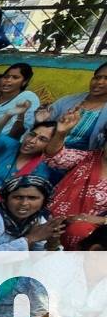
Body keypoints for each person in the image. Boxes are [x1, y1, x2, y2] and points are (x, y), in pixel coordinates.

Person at [43, 107, 107, 249]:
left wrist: (100, 220)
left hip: (89, 232)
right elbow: (54, 157)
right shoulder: (87, 158)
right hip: (51, 218)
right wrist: (61, 133)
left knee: (79, 230)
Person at [0, 175, 64, 252]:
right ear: (6, 199)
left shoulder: (37, 220)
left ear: (44, 201)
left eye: (32, 198)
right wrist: (31, 238)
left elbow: (38, 258)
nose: (24, 203)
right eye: (18, 197)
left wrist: (52, 244)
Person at [46, 62, 107, 151]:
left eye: (106, 79)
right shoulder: (67, 101)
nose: (99, 82)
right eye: (97, 77)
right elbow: (42, 125)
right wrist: (39, 120)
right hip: (48, 151)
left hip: (84, 161)